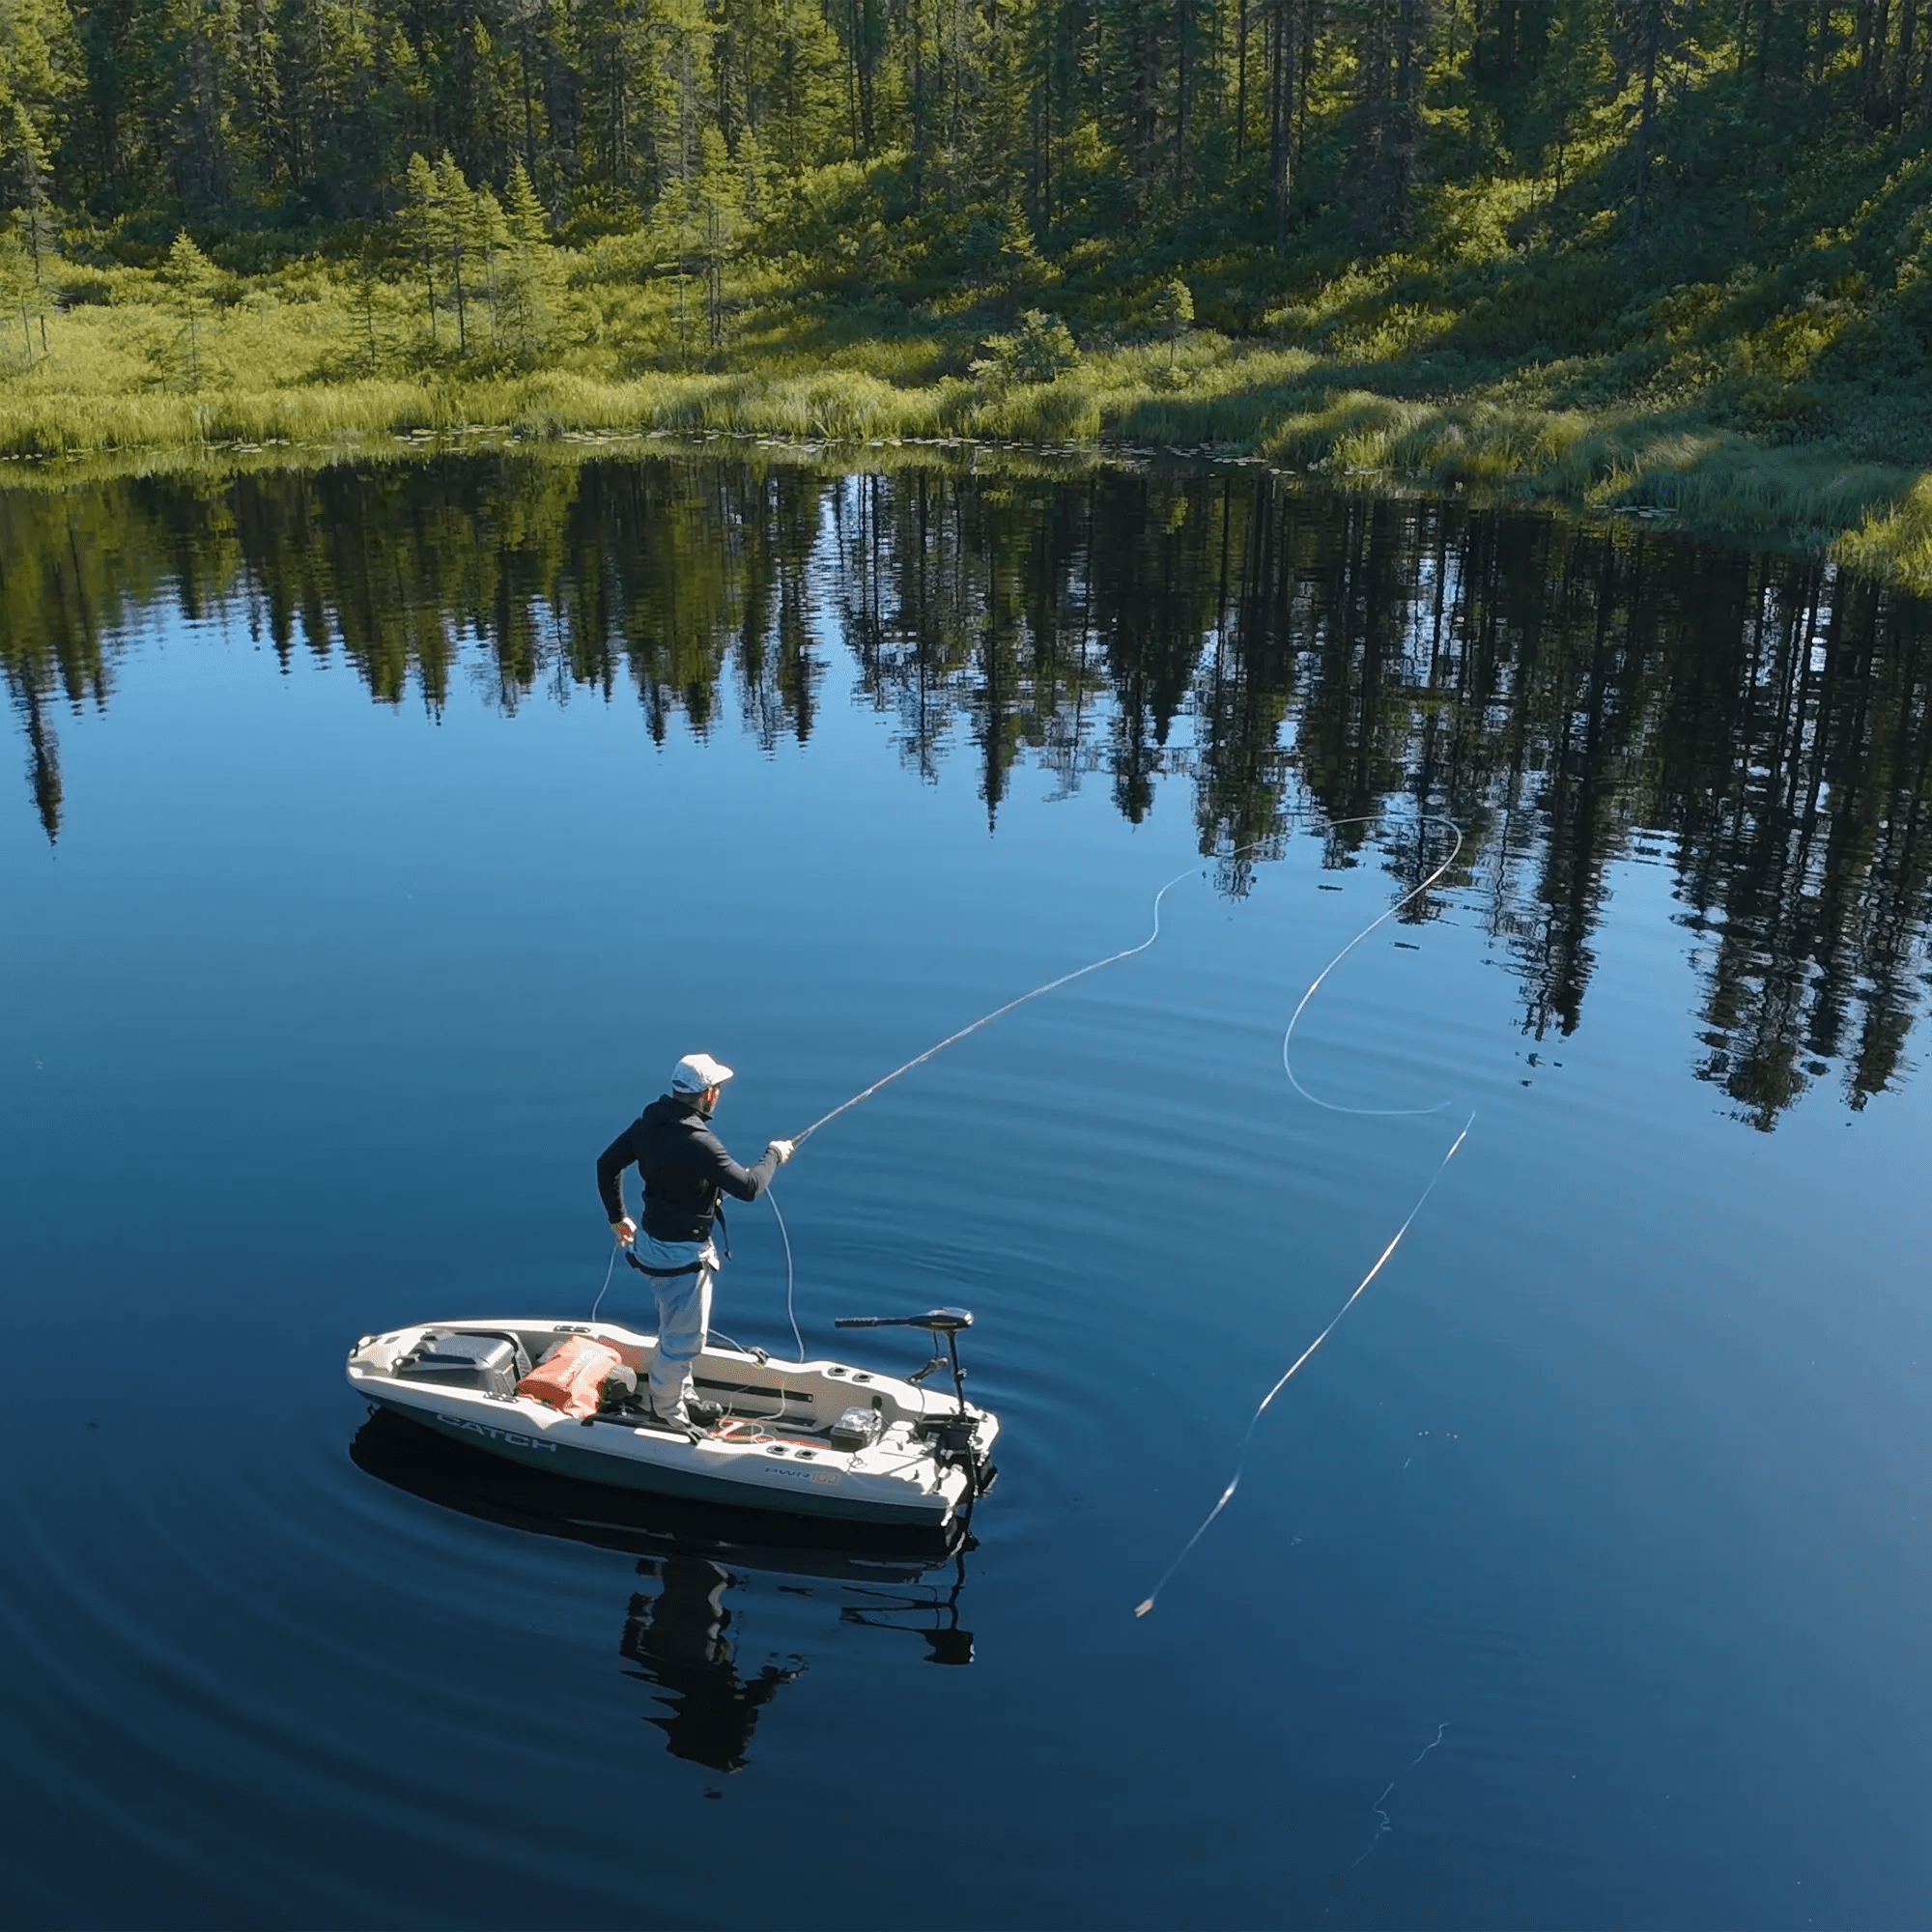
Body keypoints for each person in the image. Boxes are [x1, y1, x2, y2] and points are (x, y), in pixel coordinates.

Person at [596, 1052, 794, 1431]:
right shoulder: (701, 1143)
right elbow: (750, 1187)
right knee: (684, 1341)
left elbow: (606, 1165)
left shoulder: (646, 1125)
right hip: (682, 1259)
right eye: (716, 1088)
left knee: (673, 1328)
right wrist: (774, 1155)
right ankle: (667, 1414)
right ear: (708, 1095)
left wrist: (617, 1217)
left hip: (650, 1247)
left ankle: (680, 1394)